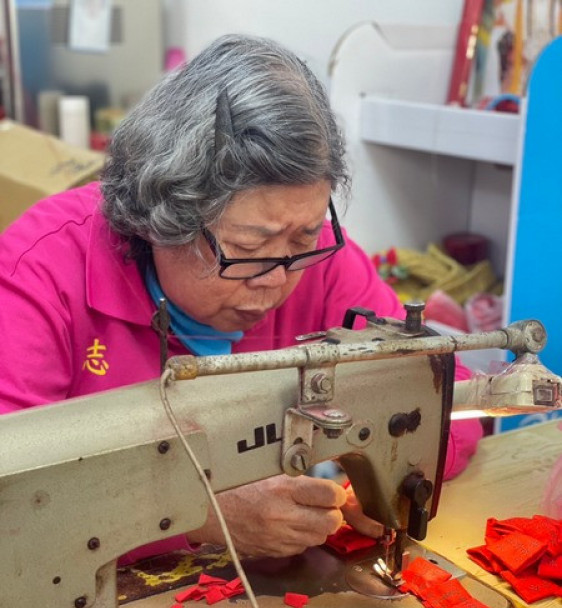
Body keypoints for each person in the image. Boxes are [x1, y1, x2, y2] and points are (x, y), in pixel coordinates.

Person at [0, 35, 483, 564]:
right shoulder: (39, 275)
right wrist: (196, 515)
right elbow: (14, 496)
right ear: (163, 216)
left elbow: (450, 399)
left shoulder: (318, 261)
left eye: (303, 237)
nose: (277, 280)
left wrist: (393, 471)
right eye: (248, 249)